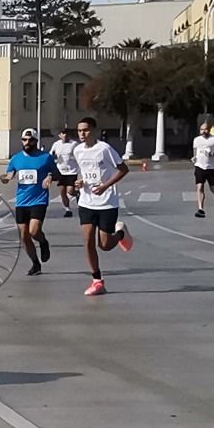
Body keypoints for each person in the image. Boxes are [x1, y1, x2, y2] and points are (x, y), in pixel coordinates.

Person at [72, 116, 133, 296]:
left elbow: (123, 169)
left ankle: (121, 232)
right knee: (88, 239)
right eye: (79, 131)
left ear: (94, 131)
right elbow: (81, 173)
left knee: (104, 245)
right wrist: (79, 183)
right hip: (86, 201)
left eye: (85, 130)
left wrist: (105, 185)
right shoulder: (78, 151)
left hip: (107, 202)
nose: (82, 134)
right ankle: (97, 281)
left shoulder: (104, 149)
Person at [1, 128, 55, 276]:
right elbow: (10, 172)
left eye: (30, 140)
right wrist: (6, 177)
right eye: (24, 140)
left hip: (39, 199)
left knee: (34, 231)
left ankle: (43, 242)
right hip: (22, 201)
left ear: (36, 141)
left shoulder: (46, 157)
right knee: (24, 236)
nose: (27, 143)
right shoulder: (16, 158)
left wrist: (50, 177)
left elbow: (56, 173)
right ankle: (35, 264)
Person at [191, 120, 214, 218]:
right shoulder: (196, 140)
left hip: (211, 167)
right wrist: (194, 158)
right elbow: (195, 151)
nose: (203, 131)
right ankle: (200, 209)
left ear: (209, 130)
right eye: (201, 129)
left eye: (205, 129)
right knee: (199, 186)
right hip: (199, 166)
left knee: (212, 188)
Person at [50, 126, 79, 217]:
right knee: (62, 192)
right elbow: (51, 154)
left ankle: (77, 193)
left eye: (66, 133)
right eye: (63, 133)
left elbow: (80, 154)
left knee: (70, 191)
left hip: (72, 171)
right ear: (59, 135)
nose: (65, 135)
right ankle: (68, 210)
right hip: (60, 171)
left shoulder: (74, 144)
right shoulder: (56, 144)